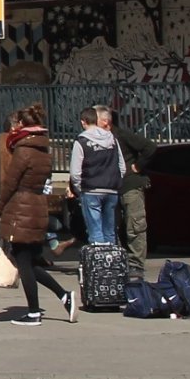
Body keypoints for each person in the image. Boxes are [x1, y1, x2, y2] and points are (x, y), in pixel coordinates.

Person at [0, 102, 75, 325]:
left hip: (22, 210)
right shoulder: (44, 151)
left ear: (21, 125)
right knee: (29, 262)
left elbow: (10, 183)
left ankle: (33, 313)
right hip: (37, 207)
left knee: (23, 263)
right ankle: (64, 296)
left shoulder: (23, 151)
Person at [105, 98, 155, 264]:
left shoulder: (122, 135)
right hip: (112, 188)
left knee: (134, 226)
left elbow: (149, 147)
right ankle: (121, 260)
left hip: (130, 186)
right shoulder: (98, 140)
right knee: (116, 227)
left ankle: (136, 264)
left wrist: (138, 166)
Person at [69, 105, 124, 246]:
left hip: (91, 189)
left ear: (83, 122)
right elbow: (122, 167)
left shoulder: (81, 141)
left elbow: (75, 172)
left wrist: (78, 189)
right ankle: (111, 262)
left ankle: (99, 264)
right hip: (111, 189)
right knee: (110, 231)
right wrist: (116, 182)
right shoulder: (113, 139)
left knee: (95, 231)